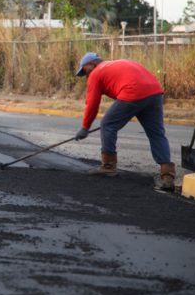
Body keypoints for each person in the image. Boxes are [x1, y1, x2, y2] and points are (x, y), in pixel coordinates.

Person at [74, 52, 176, 191]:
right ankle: (167, 176)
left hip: (133, 90)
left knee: (107, 124)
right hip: (155, 92)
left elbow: (92, 103)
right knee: (157, 133)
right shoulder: (118, 63)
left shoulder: (96, 73)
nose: (86, 76)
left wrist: (85, 127)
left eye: (84, 71)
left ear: (92, 64)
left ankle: (108, 166)